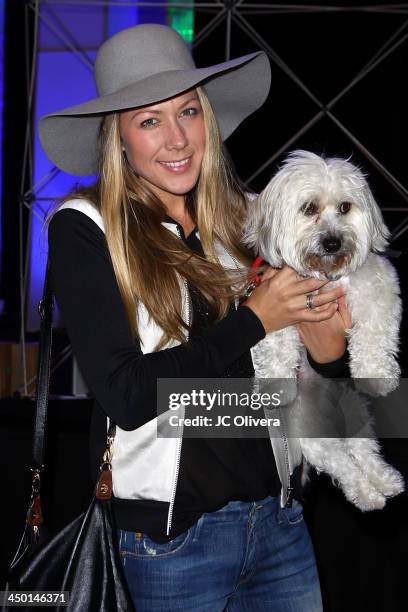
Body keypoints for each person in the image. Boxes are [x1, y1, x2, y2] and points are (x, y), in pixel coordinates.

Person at [40, 23, 351, 612]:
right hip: (170, 545)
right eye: (149, 120)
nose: (177, 138)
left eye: (188, 112)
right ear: (119, 139)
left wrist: (327, 352)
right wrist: (255, 319)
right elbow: (128, 397)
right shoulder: (87, 228)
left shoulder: (251, 219)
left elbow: (297, 385)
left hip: (280, 524)